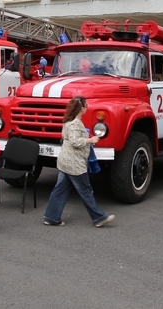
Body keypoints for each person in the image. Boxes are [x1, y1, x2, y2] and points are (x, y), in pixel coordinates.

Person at [43, 96, 115, 228]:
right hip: (75, 163)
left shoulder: (67, 121)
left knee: (60, 189)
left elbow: (65, 136)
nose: (87, 107)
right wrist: (90, 140)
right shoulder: (76, 123)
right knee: (85, 190)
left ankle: (51, 216)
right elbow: (76, 142)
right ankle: (98, 217)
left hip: (65, 161)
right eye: (86, 105)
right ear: (81, 108)